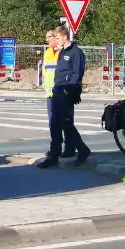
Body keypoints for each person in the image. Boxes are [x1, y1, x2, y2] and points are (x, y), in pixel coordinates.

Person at [38, 25, 90, 168]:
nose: (56, 40)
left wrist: (70, 89)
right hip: (57, 91)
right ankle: (55, 155)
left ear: (65, 37)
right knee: (55, 123)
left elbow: (77, 74)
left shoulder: (75, 52)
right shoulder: (61, 52)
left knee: (66, 124)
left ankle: (82, 150)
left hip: (66, 92)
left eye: (58, 37)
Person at [40, 27, 76, 158]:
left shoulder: (63, 53)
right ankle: (55, 149)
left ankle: (70, 148)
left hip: (63, 92)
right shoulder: (48, 52)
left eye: (50, 37)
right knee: (53, 123)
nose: (48, 40)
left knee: (66, 121)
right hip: (51, 93)